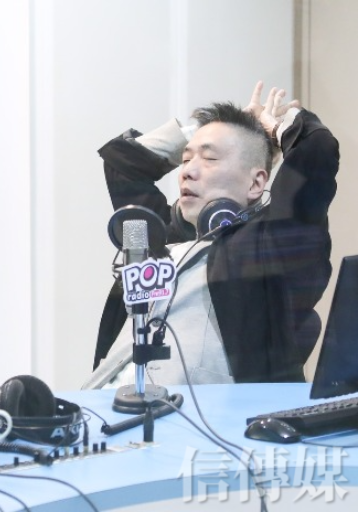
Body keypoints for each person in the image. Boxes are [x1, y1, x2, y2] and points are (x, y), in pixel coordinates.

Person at [83, 82, 339, 389]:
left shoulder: (269, 246)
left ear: (256, 184)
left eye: (210, 159)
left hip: (200, 416)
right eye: (186, 159)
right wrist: (202, 131)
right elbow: (123, 163)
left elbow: (317, 150)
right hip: (100, 405)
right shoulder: (161, 239)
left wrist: (272, 130)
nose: (187, 171)